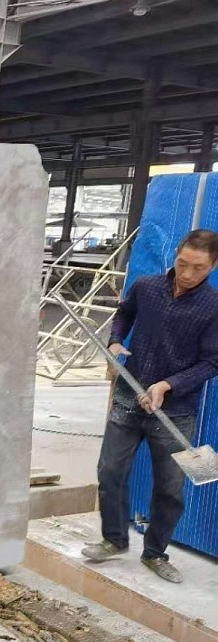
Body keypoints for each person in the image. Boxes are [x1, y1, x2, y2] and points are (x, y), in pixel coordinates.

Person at [83, 229, 218, 583]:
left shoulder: (214, 306)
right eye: (183, 263)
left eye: (198, 268)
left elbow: (212, 362)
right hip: (129, 397)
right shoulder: (146, 287)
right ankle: (114, 540)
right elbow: (124, 313)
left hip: (175, 412)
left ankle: (155, 553)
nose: (187, 273)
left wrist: (168, 385)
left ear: (213, 266)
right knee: (110, 471)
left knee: (170, 488)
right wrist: (115, 341)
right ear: (176, 256)